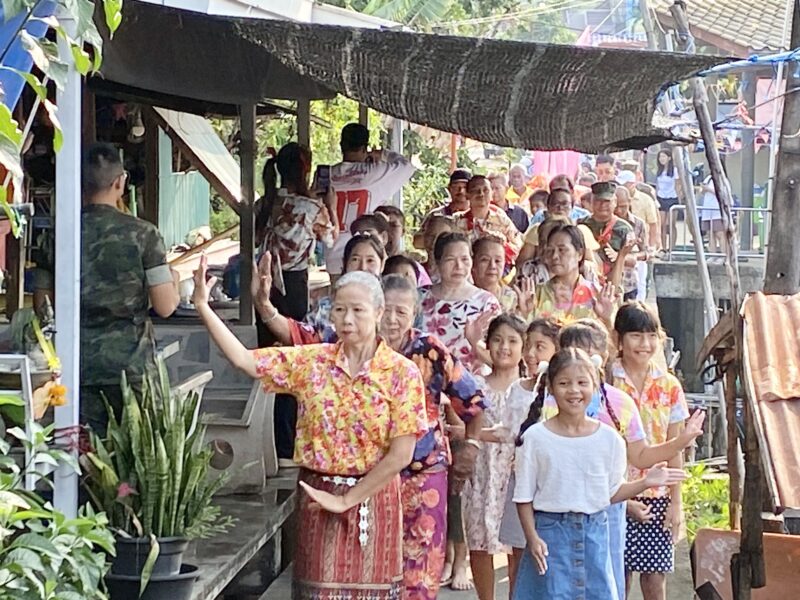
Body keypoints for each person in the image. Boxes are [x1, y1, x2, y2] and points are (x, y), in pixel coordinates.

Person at [193, 263, 428, 598]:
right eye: (339, 310)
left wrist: (348, 499)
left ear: (378, 313)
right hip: (318, 493)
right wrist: (203, 306)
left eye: (358, 311)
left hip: (373, 497)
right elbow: (245, 361)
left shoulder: (402, 374)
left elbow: (400, 455)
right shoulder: (313, 362)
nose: (347, 319)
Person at [283, 274, 488, 600]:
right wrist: (265, 307)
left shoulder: (429, 350)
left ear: (414, 315)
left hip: (421, 475)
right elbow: (298, 343)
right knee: (368, 570)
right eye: (387, 310)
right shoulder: (352, 349)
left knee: (419, 571)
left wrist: (471, 447)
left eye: (402, 313)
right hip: (371, 477)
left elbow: (472, 400)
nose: (392, 320)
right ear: (376, 311)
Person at [540, 320, 703, 599]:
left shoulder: (619, 403)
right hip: (557, 512)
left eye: (587, 355)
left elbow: (640, 456)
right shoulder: (548, 401)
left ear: (602, 357)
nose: (578, 366)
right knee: (559, 585)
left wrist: (680, 442)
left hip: (608, 512)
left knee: (608, 582)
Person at [512, 348, 687, 600]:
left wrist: (645, 482)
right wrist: (533, 537)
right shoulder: (535, 439)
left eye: (582, 383)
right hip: (550, 536)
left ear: (595, 386)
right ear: (550, 386)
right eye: (564, 383)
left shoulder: (610, 439)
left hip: (594, 536)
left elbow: (612, 493)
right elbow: (524, 497)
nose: (574, 391)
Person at [35, 143, 180, 435]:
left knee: (80, 459)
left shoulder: (56, 235)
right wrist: (174, 279)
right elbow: (166, 305)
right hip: (132, 369)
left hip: (76, 367)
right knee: (130, 467)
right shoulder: (144, 234)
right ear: (120, 182)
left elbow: (43, 308)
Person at [418, 232, 500, 590]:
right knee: (438, 478)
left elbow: (497, 355)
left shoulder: (486, 302)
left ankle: (462, 558)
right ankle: (443, 555)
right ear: (435, 263)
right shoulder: (421, 300)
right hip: (428, 396)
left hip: (470, 398)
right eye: (451, 259)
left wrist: (471, 343)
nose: (460, 266)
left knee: (466, 479)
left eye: (465, 259)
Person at [611, 303, 692, 600]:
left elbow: (676, 446)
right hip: (615, 494)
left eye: (651, 335)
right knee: (616, 579)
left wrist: (676, 502)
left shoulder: (669, 385)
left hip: (657, 495)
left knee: (655, 580)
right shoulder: (607, 381)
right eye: (635, 335)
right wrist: (624, 499)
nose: (644, 344)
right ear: (618, 338)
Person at [463, 315, 532, 600]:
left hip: (517, 473)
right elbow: (460, 424)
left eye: (513, 341)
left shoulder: (532, 388)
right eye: (498, 340)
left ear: (523, 347)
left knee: (518, 546)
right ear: (487, 345)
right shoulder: (474, 384)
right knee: (479, 542)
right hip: (481, 472)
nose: (504, 347)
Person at [498, 318, 561, 598]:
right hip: (518, 481)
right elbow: (507, 432)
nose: (532, 354)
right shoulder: (517, 389)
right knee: (517, 562)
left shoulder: (564, 390)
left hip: (550, 487)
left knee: (548, 562)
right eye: (529, 346)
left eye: (541, 347)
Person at [258, 233, 387, 345]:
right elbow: (302, 337)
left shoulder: (393, 302)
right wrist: (263, 304)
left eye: (370, 260)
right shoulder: (325, 308)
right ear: (344, 264)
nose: (362, 267)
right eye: (355, 259)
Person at [326, 123, 415, 276]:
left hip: (333, 252)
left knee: (339, 297)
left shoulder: (326, 174)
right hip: (366, 254)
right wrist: (383, 154)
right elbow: (407, 166)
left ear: (342, 145)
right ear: (365, 147)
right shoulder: (376, 172)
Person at [259, 142, 334, 324]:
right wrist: (330, 206)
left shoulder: (264, 203)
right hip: (295, 284)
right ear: (305, 170)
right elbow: (331, 239)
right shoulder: (312, 208)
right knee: (293, 338)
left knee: (267, 342)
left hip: (265, 280)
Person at [453, 175, 523, 268]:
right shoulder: (456, 221)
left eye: (485, 190)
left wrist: (502, 245)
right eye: (475, 190)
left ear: (491, 194)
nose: (481, 194)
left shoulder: (501, 220)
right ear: (467, 195)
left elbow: (518, 247)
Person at [580, 181, 635, 280]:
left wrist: (619, 256)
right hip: (586, 282)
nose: (602, 205)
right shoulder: (581, 225)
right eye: (598, 201)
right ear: (591, 201)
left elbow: (633, 259)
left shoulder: (624, 228)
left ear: (615, 202)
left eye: (607, 201)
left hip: (613, 282)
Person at [413, 169, 473, 251]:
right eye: (456, 187)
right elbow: (417, 242)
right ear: (449, 189)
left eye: (465, 187)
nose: (461, 191)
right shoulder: (436, 214)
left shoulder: (476, 215)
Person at [376, 205, 432, 286]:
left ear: (403, 231)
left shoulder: (415, 269)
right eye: (381, 225)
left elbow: (426, 295)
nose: (387, 230)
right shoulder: (366, 264)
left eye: (393, 226)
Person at [614, 186, 647, 302]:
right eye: (616, 206)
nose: (619, 211)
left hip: (630, 281)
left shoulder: (638, 224)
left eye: (623, 206)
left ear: (629, 202)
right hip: (611, 281)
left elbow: (645, 252)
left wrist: (632, 257)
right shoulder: (607, 222)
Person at [616, 170, 659, 255]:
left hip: (640, 242)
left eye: (624, 184)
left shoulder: (646, 200)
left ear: (632, 184)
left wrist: (652, 246)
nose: (621, 186)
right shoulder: (614, 197)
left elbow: (653, 224)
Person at [654, 150, 682, 250]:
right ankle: (663, 247)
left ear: (669, 158)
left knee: (671, 224)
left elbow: (678, 185)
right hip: (661, 198)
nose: (661, 159)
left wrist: (680, 199)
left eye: (664, 156)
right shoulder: (659, 171)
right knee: (662, 224)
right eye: (660, 157)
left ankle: (672, 247)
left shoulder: (674, 170)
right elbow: (657, 186)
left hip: (672, 198)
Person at [418, 215, 454, 285]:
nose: (434, 242)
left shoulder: (458, 272)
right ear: (424, 237)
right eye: (431, 236)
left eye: (442, 238)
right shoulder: (416, 271)